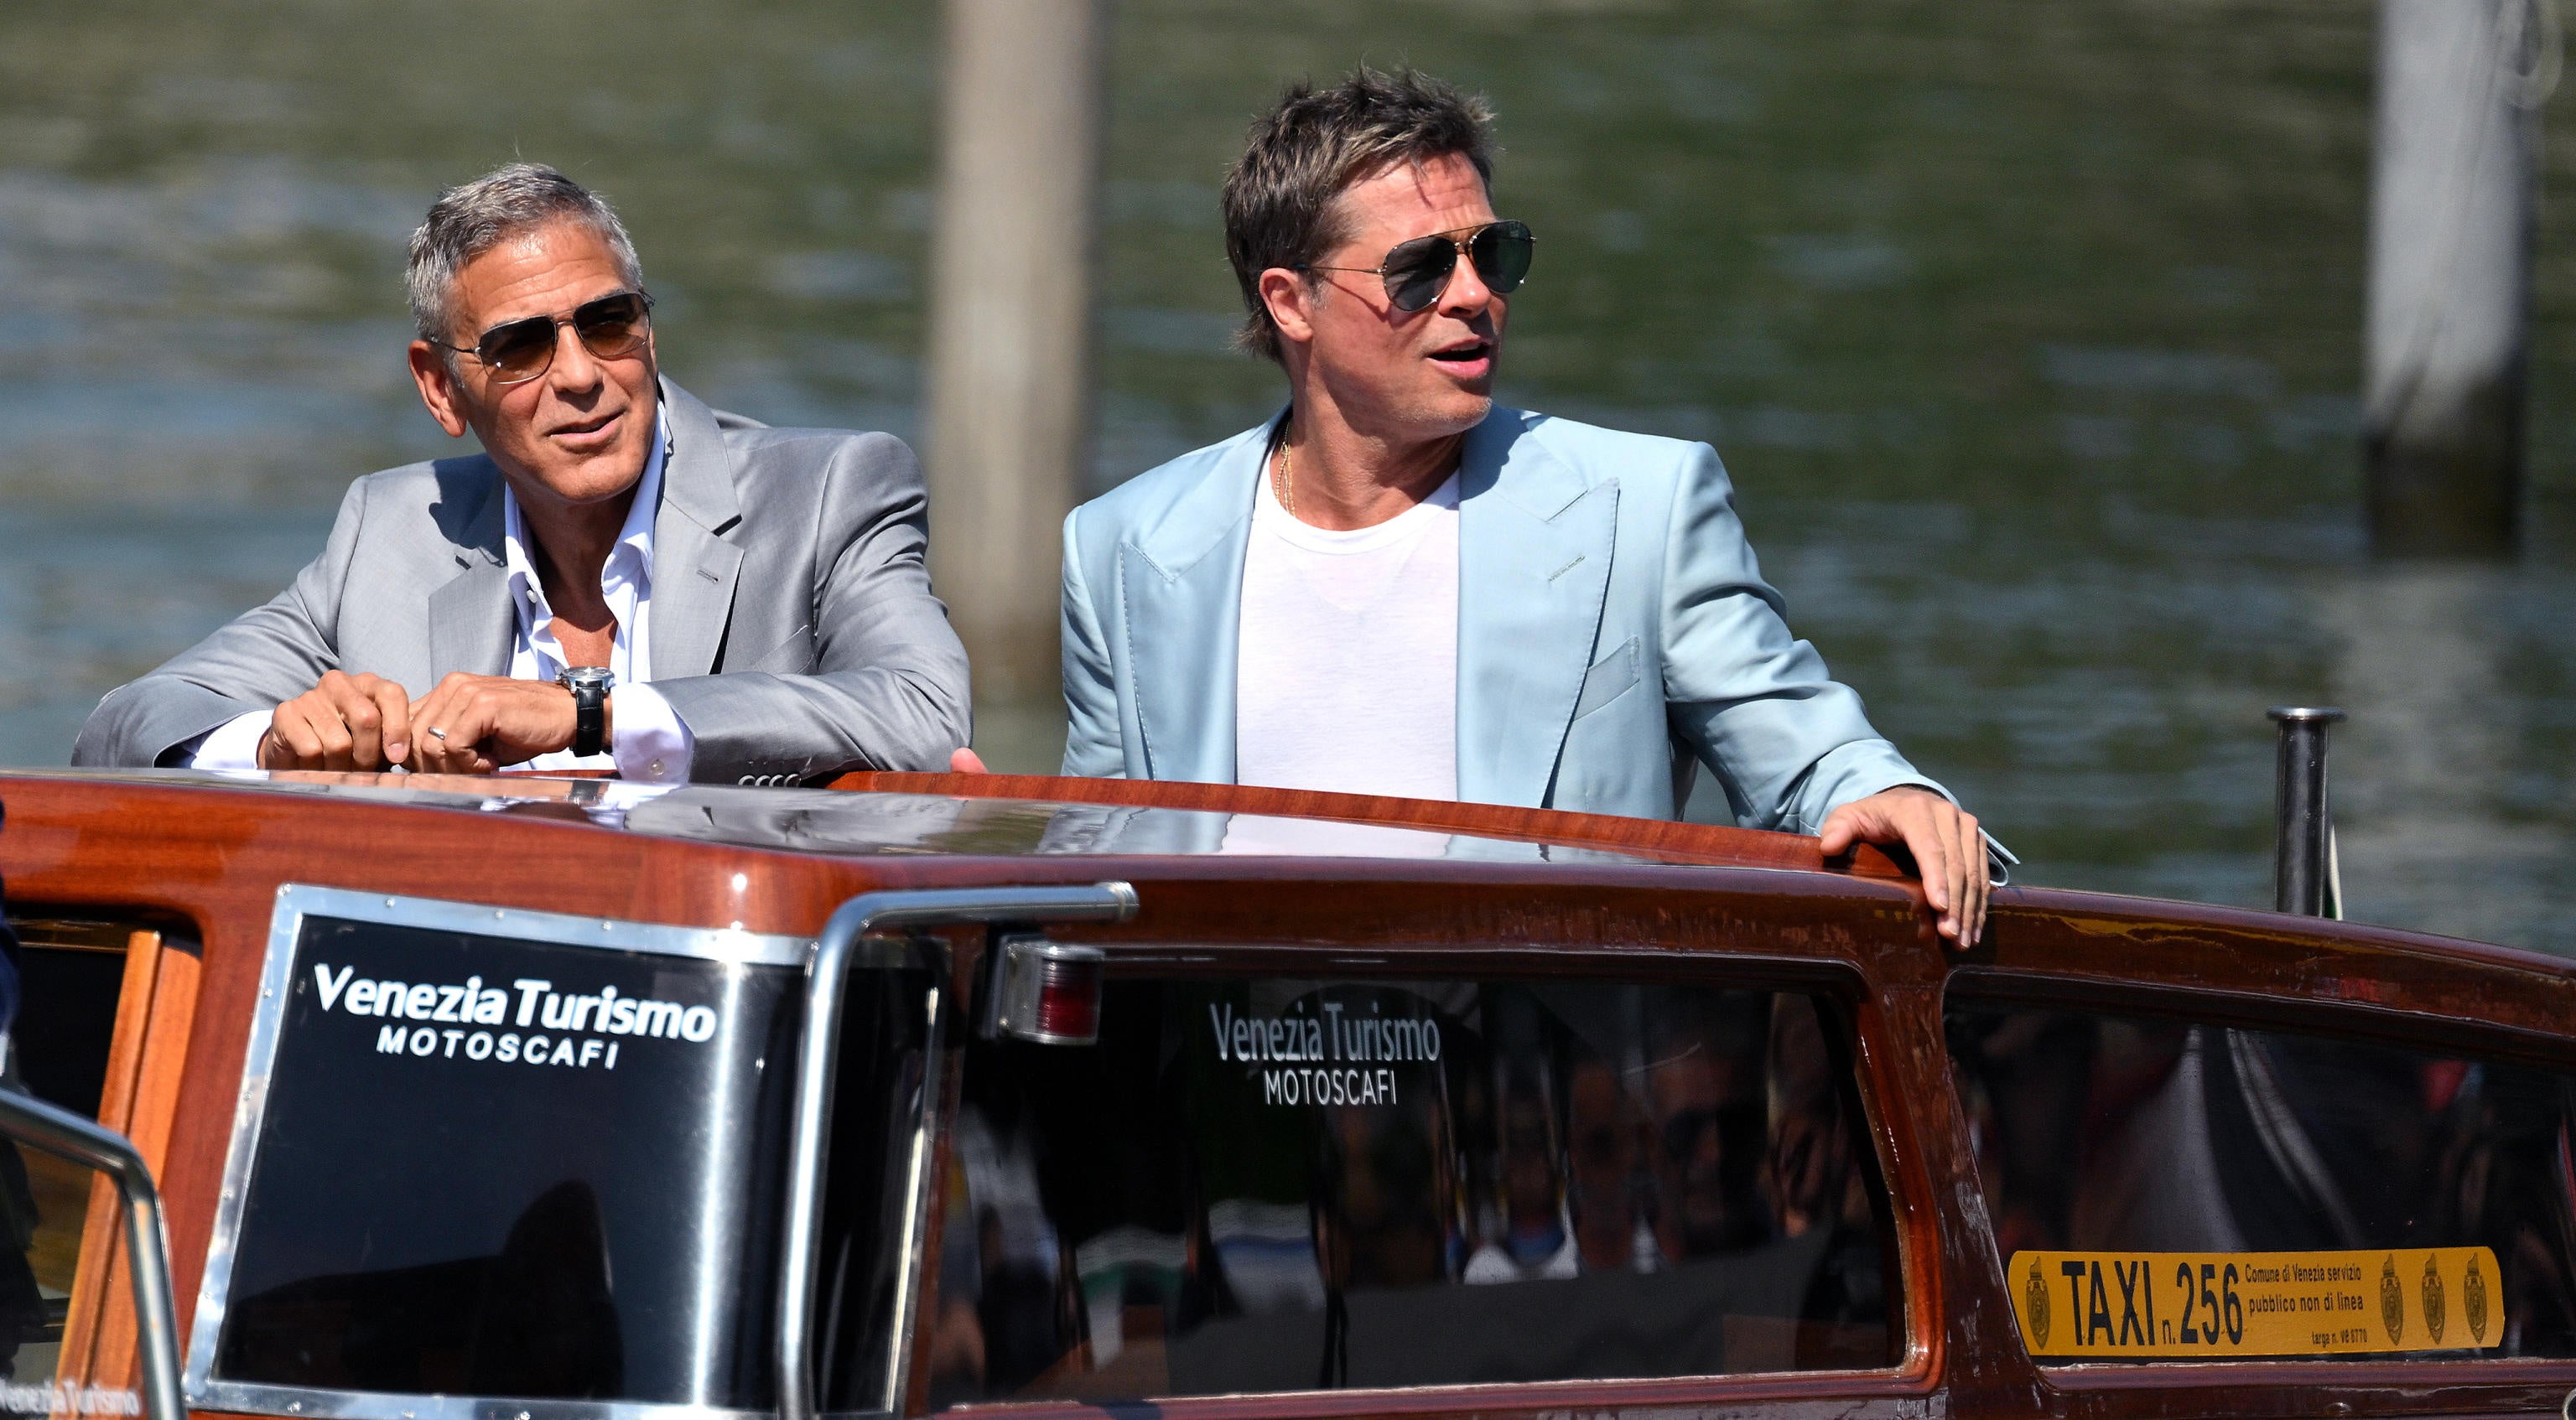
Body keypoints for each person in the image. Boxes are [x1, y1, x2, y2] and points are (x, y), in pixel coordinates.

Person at [1057, 69, 1997, 944]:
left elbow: (1806, 754)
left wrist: (1892, 793)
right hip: (1230, 1091)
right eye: (1420, 268)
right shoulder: (1123, 548)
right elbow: (1092, 864)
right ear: (1290, 302)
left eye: (1492, 253)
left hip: (1537, 1099)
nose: (1473, 297)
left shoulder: (1645, 511)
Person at [72, 164, 969, 785]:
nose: (580, 374)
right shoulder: (392, 528)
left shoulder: (830, 489)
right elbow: (127, 722)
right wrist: (275, 741)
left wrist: (591, 714)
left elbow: (923, 708)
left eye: (607, 322)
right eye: (521, 347)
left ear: (648, 330)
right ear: (441, 387)